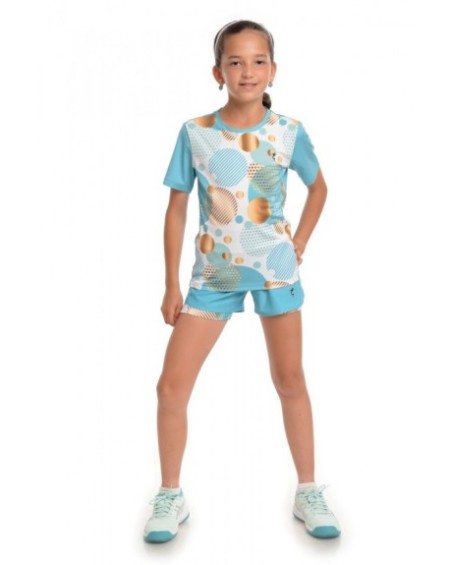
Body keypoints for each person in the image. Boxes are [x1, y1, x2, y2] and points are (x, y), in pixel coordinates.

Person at [143, 19, 341, 543]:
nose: (247, 71)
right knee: (170, 386)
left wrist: (299, 242)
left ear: (273, 70)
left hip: (276, 271)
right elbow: (175, 209)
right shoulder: (195, 133)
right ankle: (169, 494)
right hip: (215, 274)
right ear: (218, 72)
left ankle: (308, 489)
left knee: (290, 379)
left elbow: (320, 188)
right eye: (235, 62)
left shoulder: (289, 132)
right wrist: (171, 284)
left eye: (257, 61)